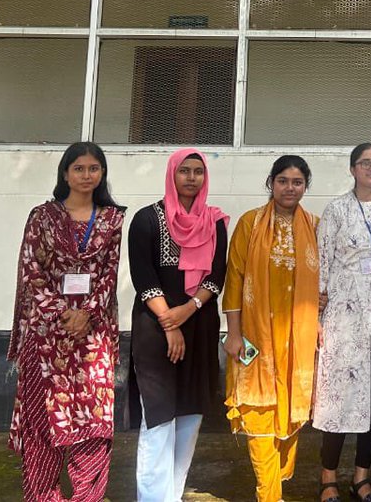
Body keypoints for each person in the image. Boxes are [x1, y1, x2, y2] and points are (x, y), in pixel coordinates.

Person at [7, 142, 126, 502]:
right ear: (65, 173)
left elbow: (109, 273)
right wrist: (62, 312)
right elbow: (33, 272)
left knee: (93, 422)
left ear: (102, 174)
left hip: (94, 335)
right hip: (45, 334)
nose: (87, 175)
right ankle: (44, 496)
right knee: (43, 420)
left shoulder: (112, 219)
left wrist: (86, 312)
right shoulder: (42, 217)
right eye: (79, 168)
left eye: (94, 168)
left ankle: (87, 496)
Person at [128, 148, 229, 502]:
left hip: (199, 325)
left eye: (197, 171)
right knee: (158, 416)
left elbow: (216, 277)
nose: (191, 177)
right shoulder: (146, 219)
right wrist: (170, 323)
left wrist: (188, 310)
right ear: (172, 174)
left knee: (189, 416)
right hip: (155, 329)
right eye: (184, 170)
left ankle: (172, 495)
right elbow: (143, 277)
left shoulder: (214, 222)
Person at [222, 155, 320, 502]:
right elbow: (233, 280)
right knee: (259, 409)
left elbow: (325, 281)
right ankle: (269, 494)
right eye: (282, 181)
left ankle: (278, 479)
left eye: (297, 182)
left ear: (305, 186)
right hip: (256, 334)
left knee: (292, 411)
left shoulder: (315, 226)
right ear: (271, 183)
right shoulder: (249, 224)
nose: (289, 188)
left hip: (298, 338)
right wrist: (233, 334)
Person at [314, 143, 371, 502]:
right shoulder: (335, 210)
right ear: (352, 169)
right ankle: (328, 476)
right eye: (364, 162)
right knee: (339, 396)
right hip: (342, 310)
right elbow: (321, 261)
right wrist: (318, 316)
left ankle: (361, 477)